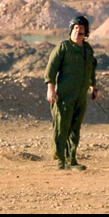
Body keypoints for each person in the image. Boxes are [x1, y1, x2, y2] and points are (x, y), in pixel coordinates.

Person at [45, 14, 98, 170]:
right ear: (70, 31)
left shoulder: (88, 49)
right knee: (62, 127)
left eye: (81, 30)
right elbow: (51, 69)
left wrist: (94, 88)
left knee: (75, 129)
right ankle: (59, 160)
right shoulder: (63, 48)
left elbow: (91, 69)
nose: (78, 32)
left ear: (86, 33)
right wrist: (50, 89)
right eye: (75, 29)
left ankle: (71, 160)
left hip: (80, 96)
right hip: (64, 96)